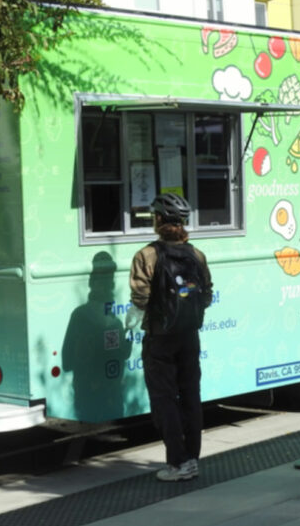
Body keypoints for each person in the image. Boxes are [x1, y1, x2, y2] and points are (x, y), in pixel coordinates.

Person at [128, 193, 213, 482]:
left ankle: (176, 463)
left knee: (164, 399)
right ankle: (192, 459)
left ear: (159, 220)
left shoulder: (146, 255)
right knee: (191, 395)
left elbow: (140, 299)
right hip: (189, 336)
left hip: (160, 337)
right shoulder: (196, 255)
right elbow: (207, 295)